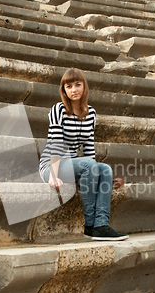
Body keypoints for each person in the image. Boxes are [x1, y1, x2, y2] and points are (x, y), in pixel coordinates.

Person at [39, 68, 129, 241]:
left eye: (77, 85)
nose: (74, 90)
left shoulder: (91, 113)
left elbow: (88, 147)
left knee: (106, 169)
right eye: (69, 86)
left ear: (84, 87)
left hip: (75, 166)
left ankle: (101, 225)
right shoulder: (58, 110)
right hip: (52, 166)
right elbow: (56, 144)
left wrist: (100, 177)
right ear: (64, 90)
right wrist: (53, 175)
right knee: (89, 165)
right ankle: (90, 224)